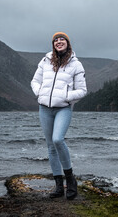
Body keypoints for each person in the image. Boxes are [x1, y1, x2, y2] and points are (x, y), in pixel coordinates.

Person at [31, 32, 87, 200]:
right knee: (50, 146)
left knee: (57, 139)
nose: (59, 41)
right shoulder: (45, 61)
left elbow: (82, 90)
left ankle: (70, 180)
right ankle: (58, 186)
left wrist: (65, 97)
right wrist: (39, 94)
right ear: (53, 44)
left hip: (63, 108)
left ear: (68, 43)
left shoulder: (76, 65)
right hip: (44, 108)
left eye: (62, 39)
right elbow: (35, 81)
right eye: (56, 40)